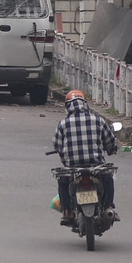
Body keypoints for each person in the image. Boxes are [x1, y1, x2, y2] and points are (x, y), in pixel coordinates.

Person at [53, 90, 117, 225]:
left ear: (67, 106)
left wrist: (64, 155)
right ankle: (109, 208)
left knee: (63, 182)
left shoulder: (63, 124)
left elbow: (57, 146)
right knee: (108, 179)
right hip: (96, 165)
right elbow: (110, 142)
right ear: (85, 104)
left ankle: (66, 212)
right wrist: (111, 150)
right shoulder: (98, 120)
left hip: (72, 166)